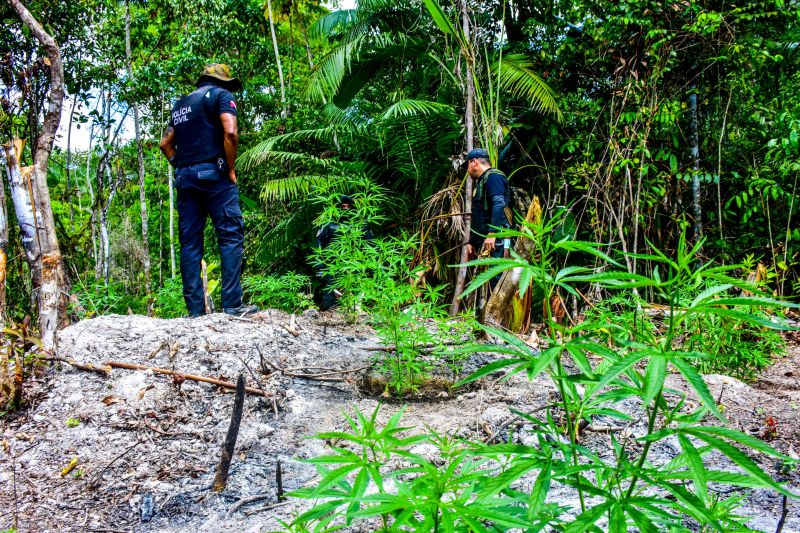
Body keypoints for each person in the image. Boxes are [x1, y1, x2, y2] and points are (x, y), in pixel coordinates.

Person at [160, 64, 258, 317]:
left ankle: (195, 312)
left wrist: (180, 166)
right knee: (230, 236)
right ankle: (233, 306)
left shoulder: (180, 104)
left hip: (186, 179)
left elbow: (165, 144)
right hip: (215, 177)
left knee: (190, 244)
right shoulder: (221, 96)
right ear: (221, 82)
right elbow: (230, 131)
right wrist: (231, 169)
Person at [314, 195, 373, 310]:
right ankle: (328, 320)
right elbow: (319, 245)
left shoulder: (361, 226)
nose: (345, 208)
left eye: (348, 206)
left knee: (355, 298)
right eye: (343, 206)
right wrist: (320, 267)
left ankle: (353, 319)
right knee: (330, 297)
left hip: (354, 267)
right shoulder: (329, 225)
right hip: (332, 266)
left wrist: (369, 266)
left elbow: (370, 246)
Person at [465, 147, 511, 287]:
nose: (467, 170)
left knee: (496, 278)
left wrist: (492, 233)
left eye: (467, 165)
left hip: (497, 239)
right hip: (489, 240)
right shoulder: (483, 181)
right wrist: (472, 241)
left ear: (474, 162)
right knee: (487, 281)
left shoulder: (494, 177)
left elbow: (499, 204)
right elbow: (480, 214)